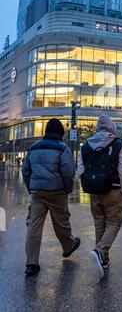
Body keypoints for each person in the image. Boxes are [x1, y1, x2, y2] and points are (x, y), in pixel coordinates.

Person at [22, 118, 80, 277]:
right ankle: (68, 246)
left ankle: (31, 263)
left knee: (34, 225)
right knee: (61, 221)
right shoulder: (63, 148)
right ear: (61, 131)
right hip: (56, 191)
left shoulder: (33, 148)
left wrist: (31, 187)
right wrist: (67, 190)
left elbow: (25, 170)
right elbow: (68, 172)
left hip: (37, 192)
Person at [78, 114, 122, 278]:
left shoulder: (86, 145)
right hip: (113, 190)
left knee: (99, 223)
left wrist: (90, 183)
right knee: (115, 222)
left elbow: (80, 170)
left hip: (94, 192)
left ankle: (103, 259)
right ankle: (100, 251)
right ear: (111, 127)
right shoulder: (118, 144)